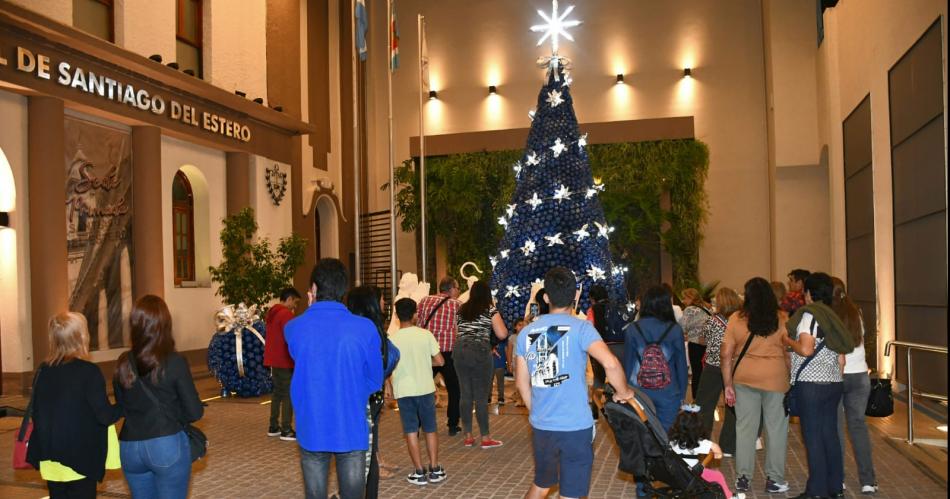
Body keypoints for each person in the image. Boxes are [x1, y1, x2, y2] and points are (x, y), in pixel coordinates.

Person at [517, 266, 635, 499]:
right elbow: (610, 364)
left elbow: (522, 384)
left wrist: (538, 412)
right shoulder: (582, 329)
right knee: (570, 493)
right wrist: (624, 391)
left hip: (542, 426)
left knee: (541, 484)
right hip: (575, 427)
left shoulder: (526, 332)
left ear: (547, 297)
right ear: (575, 296)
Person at [285, 259, 383, 499]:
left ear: (314, 290)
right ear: (344, 290)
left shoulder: (294, 327)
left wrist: (311, 309)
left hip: (312, 425)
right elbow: (375, 378)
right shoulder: (365, 328)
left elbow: (300, 357)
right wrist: (354, 392)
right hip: (350, 424)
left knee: (315, 494)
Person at [114, 295, 204, 499]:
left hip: (129, 447)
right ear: (165, 324)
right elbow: (194, 411)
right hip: (165, 444)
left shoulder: (122, 362)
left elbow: (122, 405)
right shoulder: (174, 361)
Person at [26, 312, 122, 499]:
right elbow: (104, 416)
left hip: (50, 459)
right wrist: (125, 404)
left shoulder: (42, 371)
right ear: (81, 337)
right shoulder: (89, 372)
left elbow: (37, 413)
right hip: (80, 459)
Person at [783, 272, 854, 499]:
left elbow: (806, 349)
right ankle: (834, 488)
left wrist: (787, 341)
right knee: (830, 436)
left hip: (811, 385)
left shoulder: (809, 316)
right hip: (833, 383)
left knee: (813, 438)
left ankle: (816, 491)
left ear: (809, 294)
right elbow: (841, 358)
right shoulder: (833, 317)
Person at [720, 278, 790, 494]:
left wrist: (728, 384)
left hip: (744, 379)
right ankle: (774, 479)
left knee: (745, 429)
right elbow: (788, 353)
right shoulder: (782, 317)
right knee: (776, 430)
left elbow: (725, 354)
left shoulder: (736, 318)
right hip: (776, 379)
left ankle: (743, 478)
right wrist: (790, 376)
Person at [388, 298, 447, 486]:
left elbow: (388, 367)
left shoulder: (392, 340)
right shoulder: (425, 334)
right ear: (416, 314)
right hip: (425, 389)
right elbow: (440, 361)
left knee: (411, 431)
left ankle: (419, 471)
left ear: (397, 316)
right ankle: (435, 468)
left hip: (404, 391)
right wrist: (424, 363)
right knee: (430, 428)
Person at [831, 277, 878, 495]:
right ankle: (868, 481)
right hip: (860, 376)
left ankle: (838, 479)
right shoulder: (855, 312)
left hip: (837, 376)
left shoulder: (829, 315)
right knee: (858, 427)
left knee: (837, 429)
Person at [346, 285, 393, 498]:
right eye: (382, 299)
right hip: (372, 396)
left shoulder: (353, 329)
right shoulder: (374, 329)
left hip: (358, 396)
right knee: (368, 450)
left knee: (358, 451)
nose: (384, 303)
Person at [624, 285, 688, 431]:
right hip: (669, 392)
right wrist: (682, 395)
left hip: (638, 392)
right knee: (665, 438)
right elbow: (681, 366)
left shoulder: (633, 329)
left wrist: (625, 392)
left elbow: (628, 365)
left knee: (642, 435)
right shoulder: (674, 329)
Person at [454, 281, 509, 448]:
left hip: (460, 350)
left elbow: (459, 331)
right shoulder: (490, 309)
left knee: (465, 394)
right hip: (480, 350)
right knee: (480, 395)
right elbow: (502, 333)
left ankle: (468, 436)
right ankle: (485, 438)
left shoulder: (462, 309)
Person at [693, 287, 742, 454]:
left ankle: (701, 442)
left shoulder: (712, 320)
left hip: (713, 366)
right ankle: (729, 445)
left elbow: (702, 340)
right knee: (732, 406)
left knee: (704, 405)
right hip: (734, 367)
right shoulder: (740, 320)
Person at [416, 276, 462, 435]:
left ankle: (417, 424)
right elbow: (460, 329)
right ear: (451, 289)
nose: (458, 291)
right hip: (448, 353)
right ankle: (453, 424)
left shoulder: (424, 301)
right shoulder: (457, 304)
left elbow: (419, 323)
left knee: (422, 387)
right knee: (454, 388)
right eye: (457, 288)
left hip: (426, 351)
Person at [668, 404, 745, 499]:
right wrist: (718, 455)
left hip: (677, 474)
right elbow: (716, 448)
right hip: (693, 474)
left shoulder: (672, 441)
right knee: (717, 476)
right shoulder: (699, 443)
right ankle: (729, 496)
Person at [264, 287, 300, 441]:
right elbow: (291, 337)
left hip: (273, 359)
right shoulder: (285, 314)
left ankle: (273, 426)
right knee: (288, 394)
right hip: (284, 359)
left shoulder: (272, 313)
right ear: (290, 298)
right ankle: (286, 429)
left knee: (277, 393)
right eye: (295, 302)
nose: (295, 306)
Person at [680, 288, 713, 399]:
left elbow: (682, 327)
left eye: (684, 298)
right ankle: (706, 396)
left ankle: (696, 398)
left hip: (695, 344)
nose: (683, 301)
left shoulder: (689, 310)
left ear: (690, 298)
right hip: (708, 344)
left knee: (696, 372)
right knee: (705, 372)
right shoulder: (706, 308)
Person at [492, 337, 508, 406]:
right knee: (488, 383)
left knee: (500, 383)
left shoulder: (503, 342)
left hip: (500, 365)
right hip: (489, 365)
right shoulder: (489, 342)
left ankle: (501, 398)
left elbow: (507, 352)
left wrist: (508, 363)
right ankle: (488, 398)